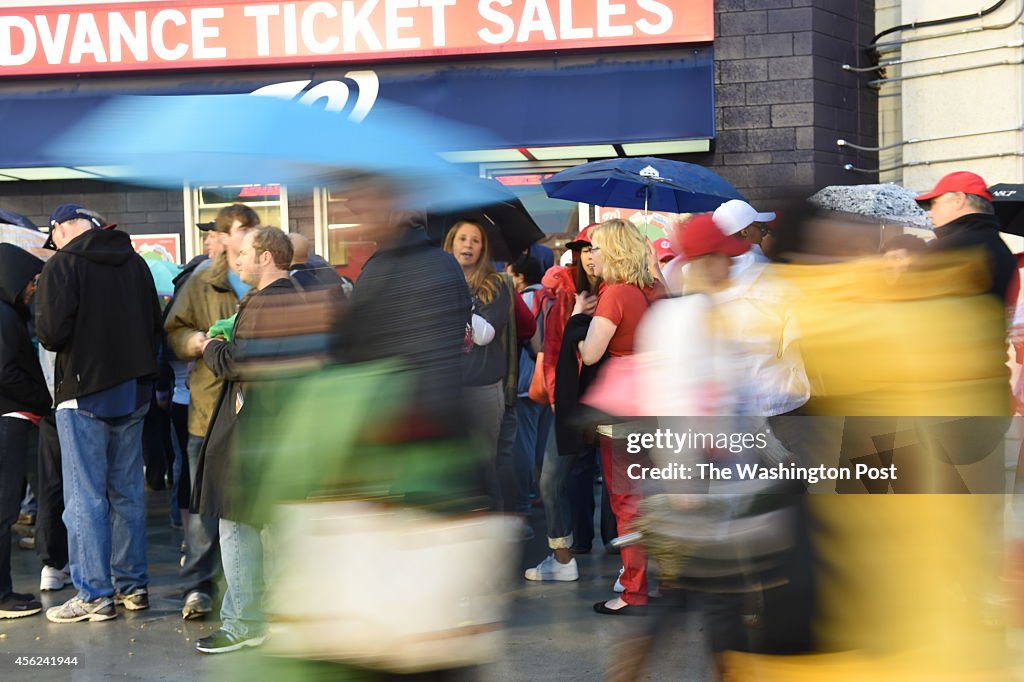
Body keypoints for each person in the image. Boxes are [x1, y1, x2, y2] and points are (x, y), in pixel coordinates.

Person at [35, 204, 162, 623]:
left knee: (84, 498)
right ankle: (133, 587)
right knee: (127, 494)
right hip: (134, 392)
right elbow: (153, 325)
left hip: (82, 393)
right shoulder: (136, 263)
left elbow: (51, 335)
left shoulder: (63, 266)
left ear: (62, 230)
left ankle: (94, 594)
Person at [191, 226, 298, 654]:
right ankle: (258, 617)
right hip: (276, 428)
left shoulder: (267, 302)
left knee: (235, 522)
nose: (238, 261)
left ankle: (242, 623)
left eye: (245, 253)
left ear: (267, 256)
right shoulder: (296, 297)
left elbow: (241, 364)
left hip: (252, 428)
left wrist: (212, 345)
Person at [165, 203, 260, 620]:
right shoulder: (203, 281)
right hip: (208, 407)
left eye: (252, 231)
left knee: (249, 507)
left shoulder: (266, 278)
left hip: (253, 411)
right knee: (205, 506)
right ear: (224, 237)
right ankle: (198, 587)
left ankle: (244, 591)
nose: (246, 239)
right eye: (240, 231)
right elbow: (174, 329)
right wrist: (197, 342)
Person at [572, 219, 661, 615]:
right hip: (660, 403)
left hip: (623, 405)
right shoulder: (655, 290)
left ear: (614, 251)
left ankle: (633, 590)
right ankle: (668, 580)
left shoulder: (615, 295)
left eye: (597, 247)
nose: (592, 255)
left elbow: (591, 353)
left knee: (626, 500)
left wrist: (577, 323)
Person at [444, 220, 511, 511]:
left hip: (483, 386)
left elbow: (483, 335)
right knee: (453, 465)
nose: (468, 245)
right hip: (446, 386)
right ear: (451, 244)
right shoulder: (438, 281)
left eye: (475, 241)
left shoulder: (494, 285)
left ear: (483, 249)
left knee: (485, 463)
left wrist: (456, 298)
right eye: (462, 239)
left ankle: (494, 523)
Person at [0, 244, 48, 618]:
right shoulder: (4, 316)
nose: (34, 288)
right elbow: (6, 372)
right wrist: (41, 398)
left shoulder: (9, 313)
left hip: (12, 417)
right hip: (9, 419)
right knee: (4, 507)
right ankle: (2, 595)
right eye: (31, 281)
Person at [915, 170, 1017, 305]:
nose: (930, 213)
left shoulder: (948, 248)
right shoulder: (1004, 251)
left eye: (934, 203)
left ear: (959, 200)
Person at [713, 199, 777, 263]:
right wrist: (770, 254)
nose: (766, 230)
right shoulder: (756, 261)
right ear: (744, 232)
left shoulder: (723, 261)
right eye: (761, 225)